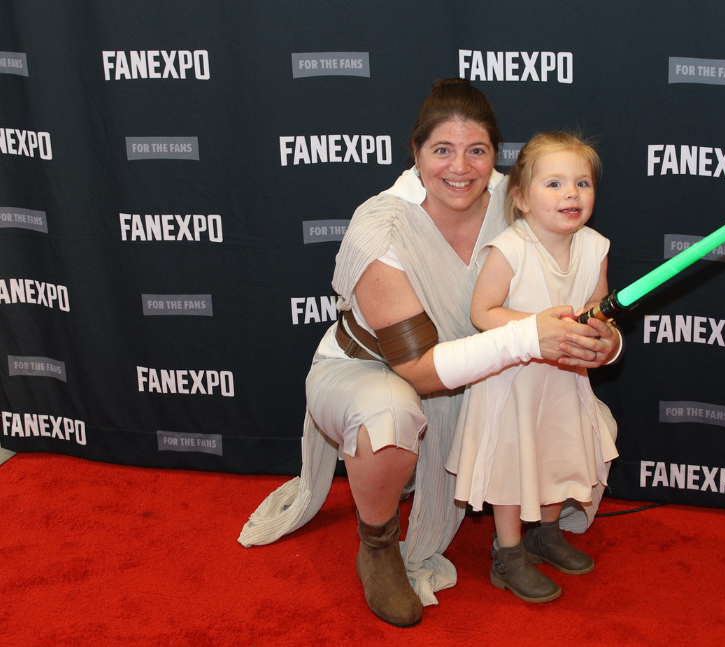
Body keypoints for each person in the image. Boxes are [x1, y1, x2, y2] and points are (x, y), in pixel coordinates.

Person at [238, 80, 622, 628]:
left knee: (580, 421)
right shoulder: (382, 226)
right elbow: (418, 369)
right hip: (373, 369)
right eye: (442, 150)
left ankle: (536, 531)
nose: (460, 167)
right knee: (390, 417)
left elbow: (579, 291)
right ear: (415, 152)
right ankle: (378, 545)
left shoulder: (524, 198)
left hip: (483, 372)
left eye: (477, 151)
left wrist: (603, 343)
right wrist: (529, 338)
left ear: (497, 156)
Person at [446, 133, 620, 603]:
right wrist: (537, 328)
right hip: (512, 385)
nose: (571, 194)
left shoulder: (595, 247)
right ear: (521, 198)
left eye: (582, 183)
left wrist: (602, 334)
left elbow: (595, 307)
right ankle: (508, 552)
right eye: (555, 183)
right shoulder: (510, 248)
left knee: (556, 456)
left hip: (564, 382)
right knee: (510, 467)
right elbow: (483, 312)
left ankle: (545, 533)